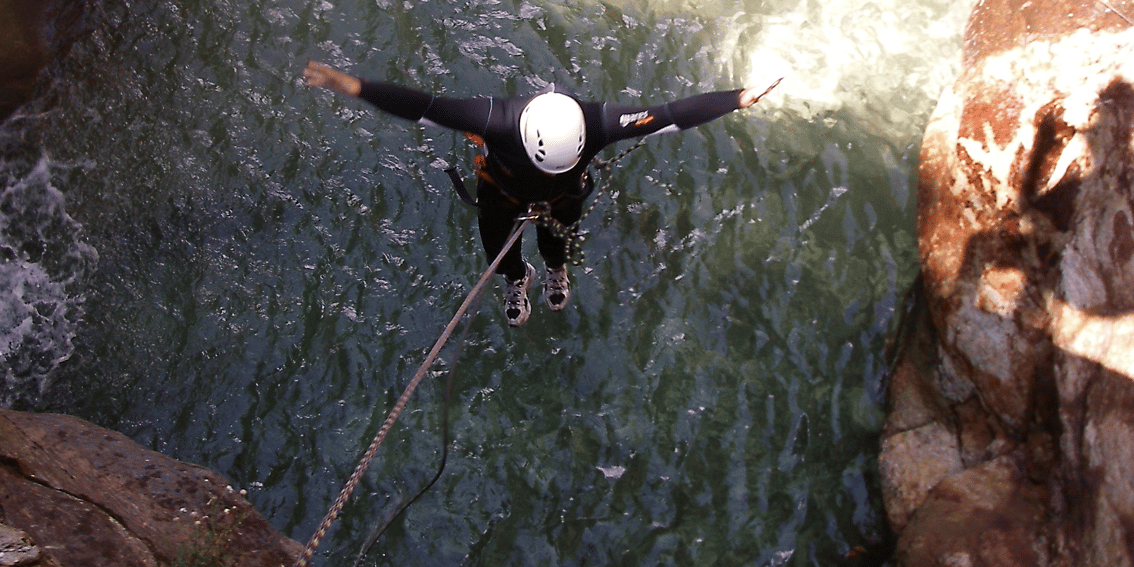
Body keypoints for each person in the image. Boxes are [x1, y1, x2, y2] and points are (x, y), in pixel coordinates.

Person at [304, 60, 780, 326]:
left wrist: (737, 98)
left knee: (557, 243)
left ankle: (554, 272)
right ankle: (519, 277)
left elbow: (670, 113)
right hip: (502, 196)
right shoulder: (495, 119)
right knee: (498, 250)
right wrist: (351, 85)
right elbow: (424, 106)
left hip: (562, 198)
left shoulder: (597, 122)